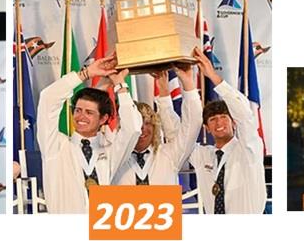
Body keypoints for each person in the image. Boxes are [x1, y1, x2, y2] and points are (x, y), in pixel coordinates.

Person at [37, 55, 142, 213]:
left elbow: (133, 128)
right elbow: (48, 99)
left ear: (103, 119)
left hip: (101, 233)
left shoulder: (109, 150)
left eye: (89, 112)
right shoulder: (55, 145)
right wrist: (86, 74)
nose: (81, 117)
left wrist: (120, 85)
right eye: (78, 110)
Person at [187, 48, 267, 214]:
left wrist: (214, 77)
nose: (219, 123)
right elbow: (179, 138)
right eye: (213, 119)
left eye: (224, 117)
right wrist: (171, 90)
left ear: (233, 122)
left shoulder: (249, 149)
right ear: (207, 128)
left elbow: (245, 116)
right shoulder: (203, 155)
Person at [112, 64, 202, 186]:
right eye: (137, 124)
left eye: (147, 123)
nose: (142, 129)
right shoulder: (113, 158)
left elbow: (192, 125)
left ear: (155, 127)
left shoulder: (169, 154)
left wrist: (187, 82)